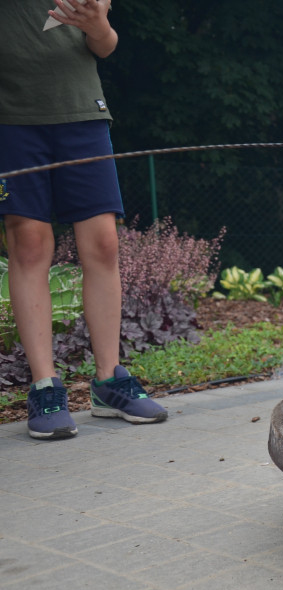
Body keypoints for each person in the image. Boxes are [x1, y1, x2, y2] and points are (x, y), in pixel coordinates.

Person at [0, 0, 167, 440]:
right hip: (12, 121)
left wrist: (98, 25)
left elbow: (105, 44)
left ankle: (109, 380)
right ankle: (44, 387)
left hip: (82, 113)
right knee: (29, 245)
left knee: (104, 244)